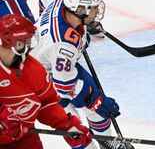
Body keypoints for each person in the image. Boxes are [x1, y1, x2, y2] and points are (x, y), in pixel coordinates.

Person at [32, 0, 133, 149]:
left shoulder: (61, 0)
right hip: (42, 82)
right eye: (93, 8)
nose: (97, 11)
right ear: (80, 10)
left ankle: (104, 141)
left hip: (56, 65)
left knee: (97, 108)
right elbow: (65, 87)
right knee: (74, 129)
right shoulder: (63, 46)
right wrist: (96, 101)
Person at [0, 14, 92, 149]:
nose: (31, 45)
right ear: (17, 43)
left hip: (24, 138)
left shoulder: (34, 69)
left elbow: (47, 103)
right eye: (27, 40)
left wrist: (68, 126)